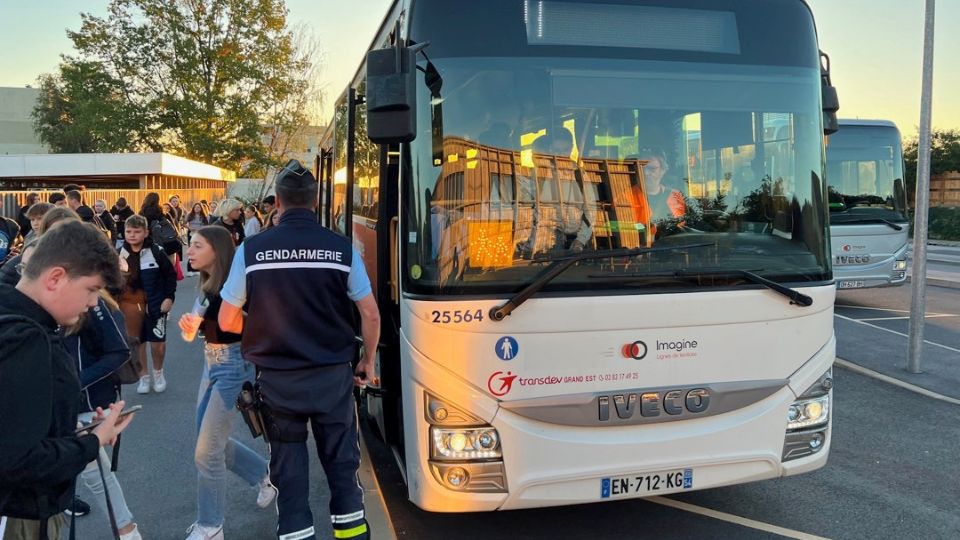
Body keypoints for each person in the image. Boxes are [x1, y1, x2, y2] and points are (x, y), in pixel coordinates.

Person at [219, 160, 380, 540]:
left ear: (277, 202)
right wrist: (368, 360)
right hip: (332, 378)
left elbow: (227, 320)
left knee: (289, 472)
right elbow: (369, 314)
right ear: (316, 200)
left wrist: (264, 330)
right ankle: (352, 532)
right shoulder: (340, 248)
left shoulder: (253, 250)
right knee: (342, 465)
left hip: (277, 382)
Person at [0, 221, 134, 540]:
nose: (92, 303)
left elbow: (16, 425)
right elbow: (18, 459)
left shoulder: (21, 321)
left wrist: (76, 432)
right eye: (90, 290)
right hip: (21, 513)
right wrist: (91, 441)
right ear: (56, 278)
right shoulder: (26, 339)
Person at [179, 226, 273, 540]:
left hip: (235, 365)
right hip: (212, 361)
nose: (189, 251)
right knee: (207, 442)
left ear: (216, 250)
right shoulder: (205, 284)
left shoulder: (237, 284)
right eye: (190, 245)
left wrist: (234, 320)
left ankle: (210, 525)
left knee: (206, 451)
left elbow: (260, 325)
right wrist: (190, 328)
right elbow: (194, 333)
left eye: (196, 245)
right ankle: (263, 474)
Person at [65, 288, 143, 540]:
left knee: (95, 472)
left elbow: (119, 352)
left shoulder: (96, 305)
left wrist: (74, 382)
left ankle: (127, 530)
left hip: (87, 401)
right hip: (62, 400)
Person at [118, 214, 178, 395]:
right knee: (138, 343)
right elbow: (113, 281)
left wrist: (169, 298)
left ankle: (158, 373)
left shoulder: (156, 251)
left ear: (146, 233)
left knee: (157, 344)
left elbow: (170, 275)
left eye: (137, 232)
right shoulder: (120, 253)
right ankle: (143, 376)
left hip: (156, 305)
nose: (132, 235)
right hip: (130, 307)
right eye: (129, 231)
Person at [1, 207, 79, 287]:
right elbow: (5, 280)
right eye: (32, 219)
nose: (35, 223)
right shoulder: (31, 249)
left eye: (39, 219)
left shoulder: (82, 256)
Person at [630, 147, 686, 240]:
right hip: (637, 249)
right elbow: (624, 227)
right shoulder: (625, 195)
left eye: (651, 168)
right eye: (642, 168)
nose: (646, 173)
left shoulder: (675, 196)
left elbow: (681, 226)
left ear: (663, 170)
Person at [141, 192, 183, 265]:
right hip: (165, 240)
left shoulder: (142, 213)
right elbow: (171, 225)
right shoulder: (161, 212)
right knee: (170, 261)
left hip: (149, 240)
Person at [185, 203, 210, 276]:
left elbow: (208, 226)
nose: (197, 208)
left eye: (199, 207)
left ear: (201, 208)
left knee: (199, 252)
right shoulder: (190, 215)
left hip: (201, 236)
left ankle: (198, 269)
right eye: (195, 207)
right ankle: (189, 270)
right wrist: (189, 228)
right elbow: (183, 223)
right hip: (192, 235)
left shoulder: (205, 216)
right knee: (192, 252)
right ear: (193, 208)